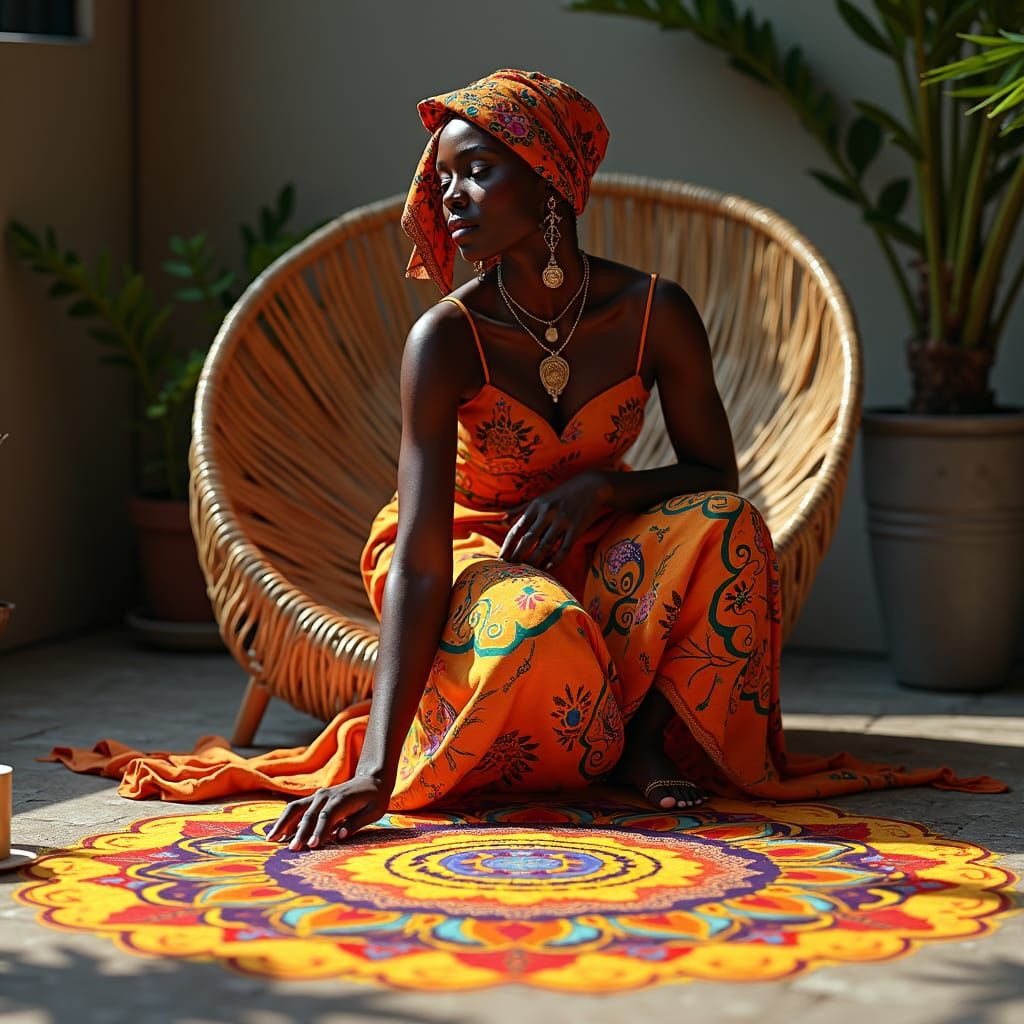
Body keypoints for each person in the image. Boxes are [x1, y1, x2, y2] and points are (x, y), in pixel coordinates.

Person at [45, 69, 1006, 850]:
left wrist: (604, 489)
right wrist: (377, 768)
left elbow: (717, 474)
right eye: (443, 177)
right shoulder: (447, 340)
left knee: (727, 527)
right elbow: (420, 555)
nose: (447, 197)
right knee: (539, 629)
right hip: (462, 556)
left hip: (602, 542)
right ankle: (569, 734)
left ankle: (627, 743)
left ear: (547, 179)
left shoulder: (654, 314)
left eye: (473, 173)